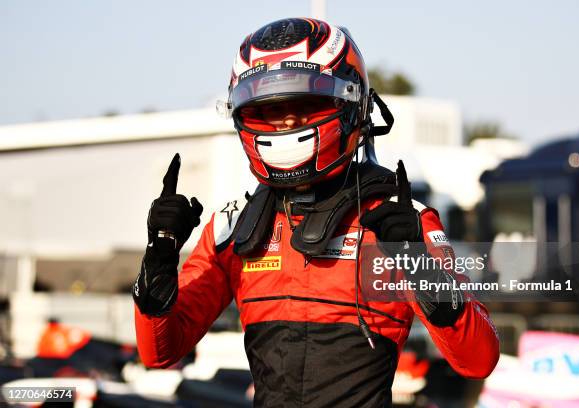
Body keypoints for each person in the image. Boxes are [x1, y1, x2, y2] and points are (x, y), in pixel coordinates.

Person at [133, 17, 499, 407]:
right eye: (270, 109)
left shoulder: (397, 222)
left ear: (350, 105)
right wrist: (158, 264)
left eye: (304, 105)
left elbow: (478, 359)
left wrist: (421, 269)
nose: (287, 122)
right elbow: (160, 353)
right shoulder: (235, 225)